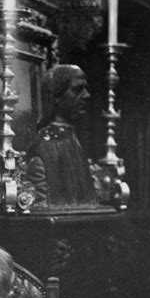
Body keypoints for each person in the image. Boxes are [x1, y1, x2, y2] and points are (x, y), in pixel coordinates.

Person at [26, 64, 99, 209]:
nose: (86, 95)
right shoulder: (45, 145)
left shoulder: (71, 138)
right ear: (55, 96)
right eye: (77, 89)